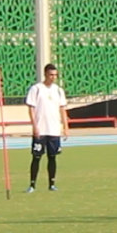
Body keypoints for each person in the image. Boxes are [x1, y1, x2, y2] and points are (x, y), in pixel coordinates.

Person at [25, 63, 68, 193]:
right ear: (45, 74)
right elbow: (31, 108)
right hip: (41, 129)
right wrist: (34, 126)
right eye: (51, 75)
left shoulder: (58, 90)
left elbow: (62, 109)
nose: (53, 77)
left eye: (55, 75)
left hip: (54, 129)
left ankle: (52, 184)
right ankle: (32, 185)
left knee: (52, 157)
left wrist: (66, 127)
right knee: (36, 157)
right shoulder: (36, 89)